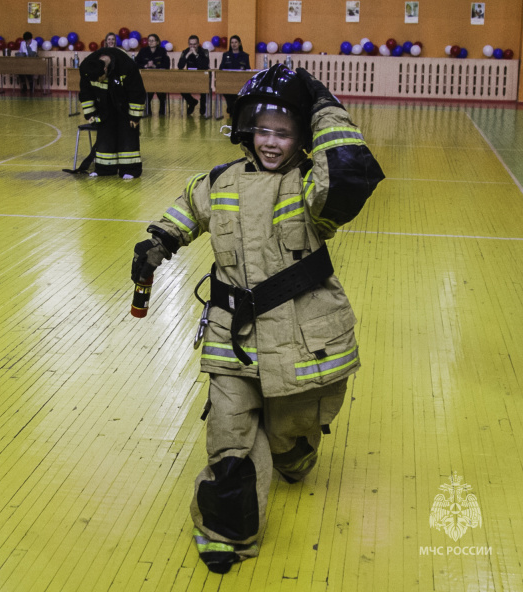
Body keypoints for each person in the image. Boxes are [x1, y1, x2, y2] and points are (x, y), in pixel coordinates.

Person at [130, 64, 384, 574]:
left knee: (290, 429)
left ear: (303, 137)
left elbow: (350, 177)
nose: (271, 142)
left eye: (285, 132)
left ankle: (294, 452)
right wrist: (159, 240)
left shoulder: (314, 187)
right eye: (263, 129)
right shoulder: (220, 180)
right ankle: (226, 531)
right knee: (231, 433)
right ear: (246, 128)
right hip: (233, 335)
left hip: (300, 333)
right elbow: (189, 209)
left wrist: (322, 106)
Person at [78, 46, 146, 179]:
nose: (98, 81)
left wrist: (134, 116)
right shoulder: (87, 67)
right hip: (104, 107)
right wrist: (90, 114)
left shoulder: (126, 65)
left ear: (105, 69)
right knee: (105, 137)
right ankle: (104, 169)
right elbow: (85, 93)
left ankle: (130, 170)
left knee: (127, 136)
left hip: (125, 106)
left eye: (100, 78)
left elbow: (137, 92)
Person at [134, 33, 170, 116]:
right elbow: (136, 63)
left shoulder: (162, 51)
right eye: (149, 41)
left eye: (153, 41)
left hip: (160, 77)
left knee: (161, 92)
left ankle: (162, 110)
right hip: (147, 77)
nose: (150, 42)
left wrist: (155, 66)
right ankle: (148, 110)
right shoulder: (143, 51)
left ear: (157, 42)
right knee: (148, 92)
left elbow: (166, 64)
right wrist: (145, 66)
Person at [177, 35, 209, 116]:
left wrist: (196, 55)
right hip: (190, 77)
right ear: (188, 44)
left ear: (198, 44)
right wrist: (186, 56)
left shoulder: (204, 52)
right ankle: (192, 102)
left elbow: (204, 66)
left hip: (202, 77)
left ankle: (202, 107)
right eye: (191, 44)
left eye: (194, 44)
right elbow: (180, 66)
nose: (192, 46)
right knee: (180, 87)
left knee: (204, 88)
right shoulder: (185, 51)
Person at [219, 35, 250, 115]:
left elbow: (248, 70)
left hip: (240, 82)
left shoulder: (245, 56)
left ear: (239, 43)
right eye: (232, 42)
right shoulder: (226, 55)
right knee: (228, 93)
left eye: (236, 42)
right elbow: (221, 68)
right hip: (228, 82)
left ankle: (233, 109)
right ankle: (232, 108)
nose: (234, 44)